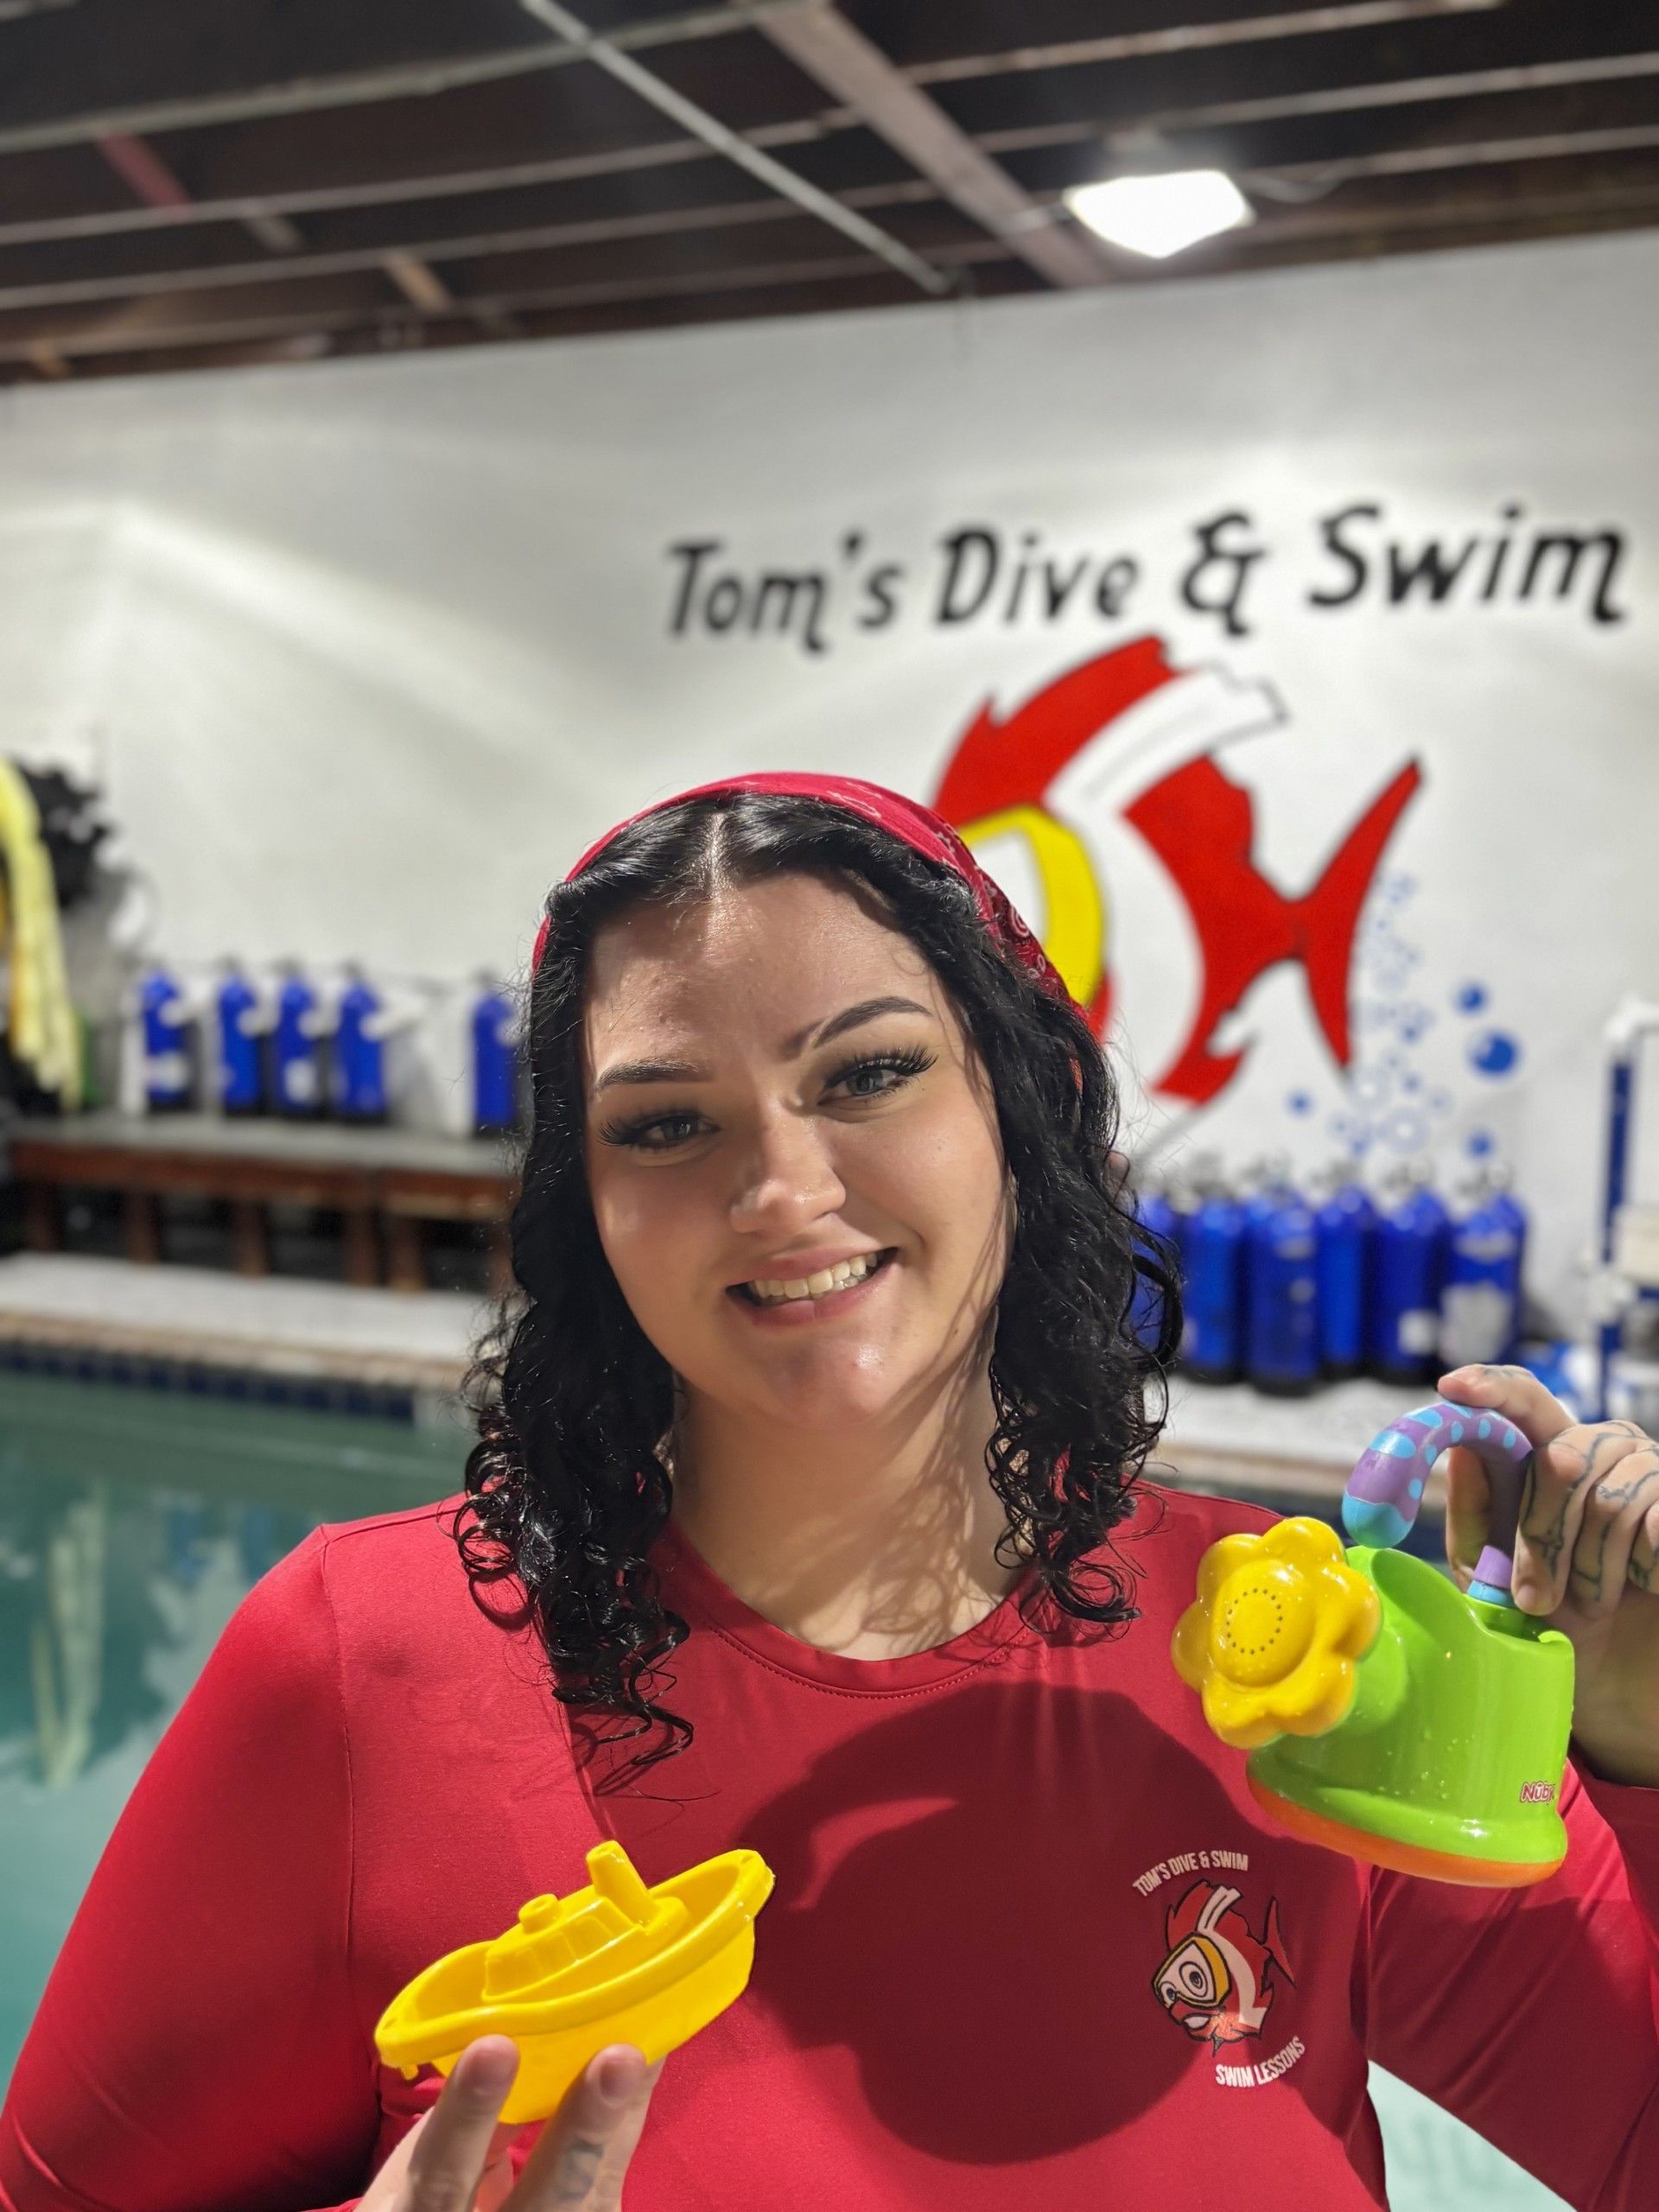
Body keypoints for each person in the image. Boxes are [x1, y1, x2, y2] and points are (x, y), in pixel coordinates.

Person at [4, 772, 1659, 2212]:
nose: (782, 1189)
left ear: (1025, 1107)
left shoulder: (1298, 1655)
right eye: (665, 1123)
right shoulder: (365, 1669)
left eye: (866, 1075)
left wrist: (1649, 1751)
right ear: (586, 1212)